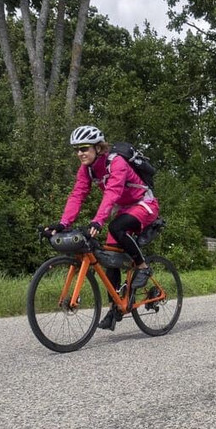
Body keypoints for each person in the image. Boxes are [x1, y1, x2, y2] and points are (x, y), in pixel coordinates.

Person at [45, 125, 159, 331]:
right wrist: (63, 223)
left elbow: (113, 192)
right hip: (124, 209)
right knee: (110, 260)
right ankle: (115, 307)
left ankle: (143, 266)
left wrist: (98, 221)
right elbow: (77, 195)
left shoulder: (117, 163)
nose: (80, 153)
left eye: (84, 148)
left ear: (98, 148)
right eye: (77, 150)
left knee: (117, 227)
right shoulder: (87, 169)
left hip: (145, 204)